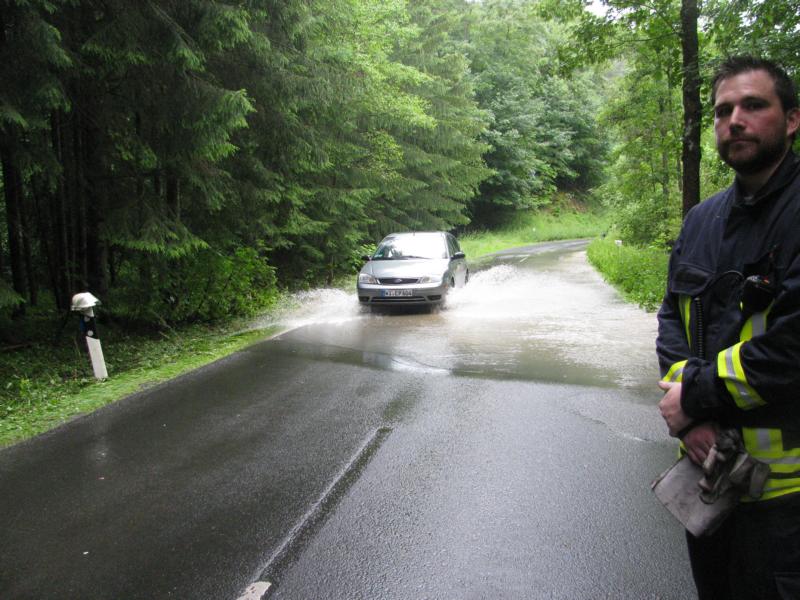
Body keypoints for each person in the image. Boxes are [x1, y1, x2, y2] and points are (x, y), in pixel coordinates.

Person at [656, 56, 800, 599]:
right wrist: (688, 422)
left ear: (792, 119)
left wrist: (692, 395)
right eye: (723, 110)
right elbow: (673, 322)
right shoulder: (700, 221)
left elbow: (791, 349)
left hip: (788, 507)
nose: (734, 119)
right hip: (710, 481)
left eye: (753, 105)